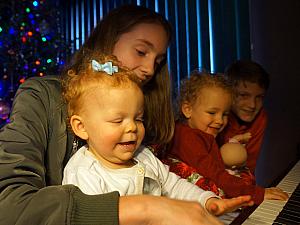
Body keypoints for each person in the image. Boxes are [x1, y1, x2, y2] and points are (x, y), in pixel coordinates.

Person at [0, 5, 224, 225]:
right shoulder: (42, 97)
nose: (149, 69)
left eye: (158, 61)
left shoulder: (139, 137)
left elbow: (166, 180)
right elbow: (10, 203)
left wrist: (205, 199)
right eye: (140, 52)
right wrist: (146, 208)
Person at [61, 53, 254, 218]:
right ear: (81, 127)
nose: (132, 128)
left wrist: (206, 200)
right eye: (118, 121)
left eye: (138, 119)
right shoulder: (84, 173)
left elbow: (174, 185)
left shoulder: (143, 156)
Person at [162, 71, 289, 205]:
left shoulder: (199, 133)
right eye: (212, 112)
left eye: (225, 114)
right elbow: (214, 174)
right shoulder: (188, 138)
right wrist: (256, 193)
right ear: (187, 109)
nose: (220, 120)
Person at [217, 60, 270, 174]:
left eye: (259, 97)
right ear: (229, 92)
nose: (252, 105)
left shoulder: (260, 118)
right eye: (244, 95)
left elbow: (248, 165)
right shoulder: (216, 115)